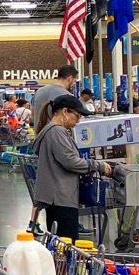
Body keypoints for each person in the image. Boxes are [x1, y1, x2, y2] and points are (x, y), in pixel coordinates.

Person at [32, 94, 111, 240]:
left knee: (61, 244)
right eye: (77, 115)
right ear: (64, 112)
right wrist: (97, 165)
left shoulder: (54, 131)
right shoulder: (56, 131)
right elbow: (69, 161)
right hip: (61, 196)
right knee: (65, 245)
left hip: (59, 196)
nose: (78, 120)